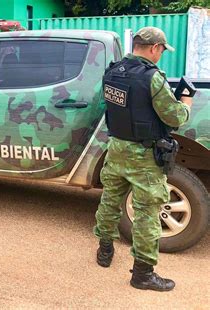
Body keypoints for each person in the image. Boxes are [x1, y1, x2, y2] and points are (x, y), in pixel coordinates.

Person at [93, 27, 193, 292]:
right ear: (153, 48)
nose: (161, 54)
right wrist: (186, 104)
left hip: (115, 148)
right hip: (144, 155)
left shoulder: (113, 71)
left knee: (110, 201)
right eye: (162, 49)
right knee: (148, 212)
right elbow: (175, 118)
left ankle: (104, 251)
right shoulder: (152, 78)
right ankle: (143, 275)